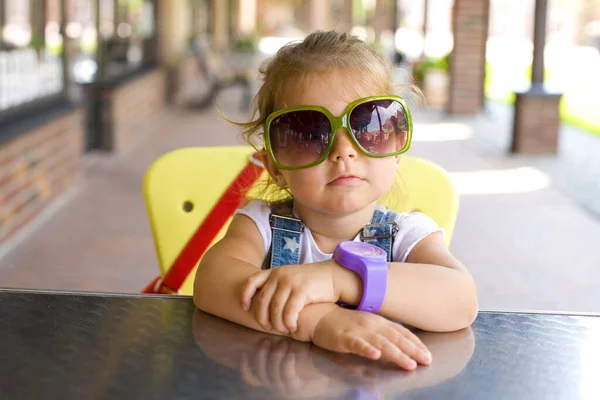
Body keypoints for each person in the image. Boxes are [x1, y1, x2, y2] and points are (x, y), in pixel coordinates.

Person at [193, 30, 478, 371]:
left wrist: (338, 279)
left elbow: (461, 299)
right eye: (310, 134)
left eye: (369, 126)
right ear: (276, 168)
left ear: (398, 149)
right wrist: (318, 321)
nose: (344, 151)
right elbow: (211, 281)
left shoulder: (407, 235)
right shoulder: (261, 227)